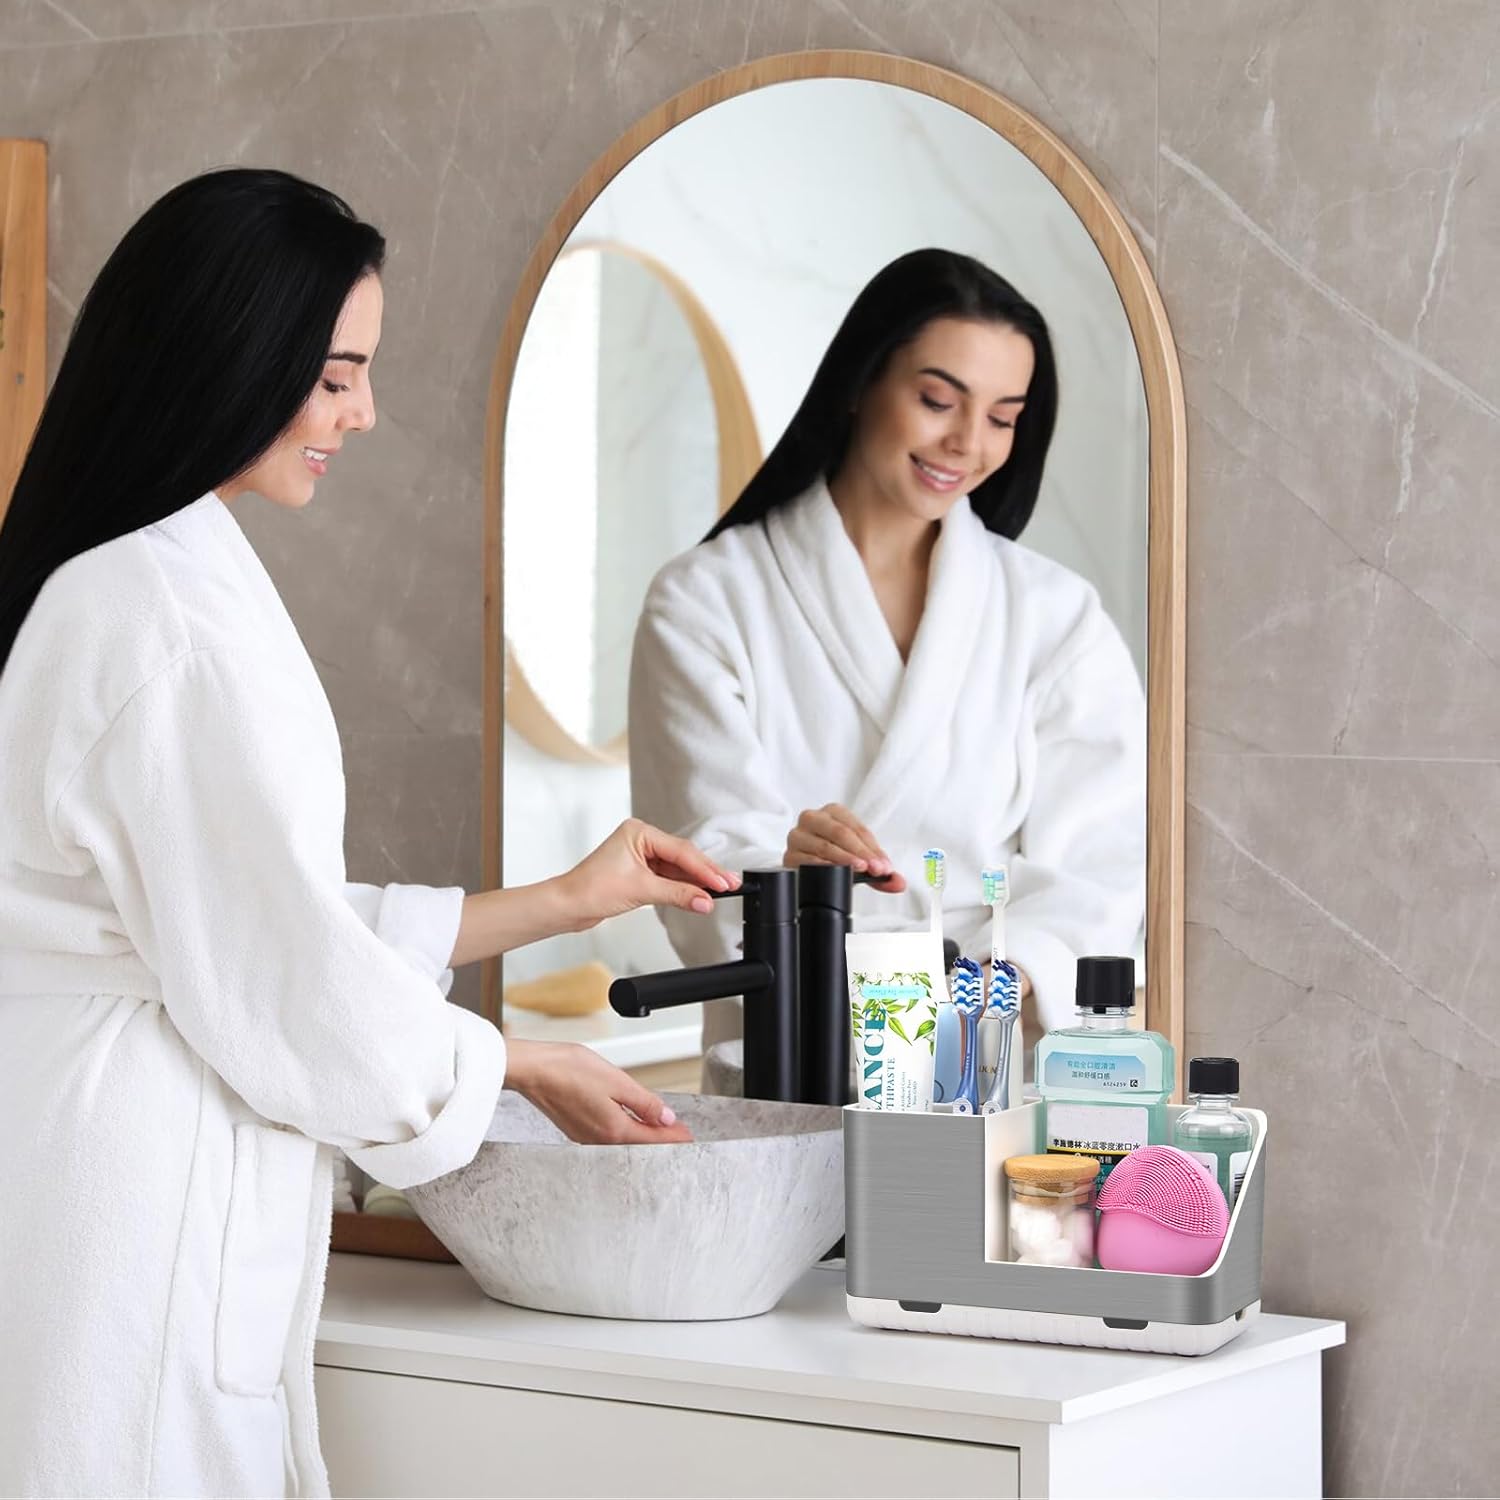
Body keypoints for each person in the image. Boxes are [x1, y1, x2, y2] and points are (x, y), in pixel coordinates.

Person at [0, 168, 734, 1497]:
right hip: (132, 1178)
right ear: (231, 355)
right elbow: (280, 971)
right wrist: (519, 1064)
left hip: (92, 1148)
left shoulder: (146, 577)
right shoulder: (159, 619)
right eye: (337, 375)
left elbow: (262, 915)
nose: (365, 412)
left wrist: (565, 901)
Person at [629, 248, 1145, 1054]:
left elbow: (1104, 870)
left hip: (979, 1054)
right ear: (860, 380)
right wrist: (794, 870)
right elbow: (697, 859)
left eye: (1003, 418)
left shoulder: (1056, 617)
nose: (967, 443)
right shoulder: (705, 600)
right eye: (938, 400)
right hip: (788, 1047)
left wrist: (975, 1003)